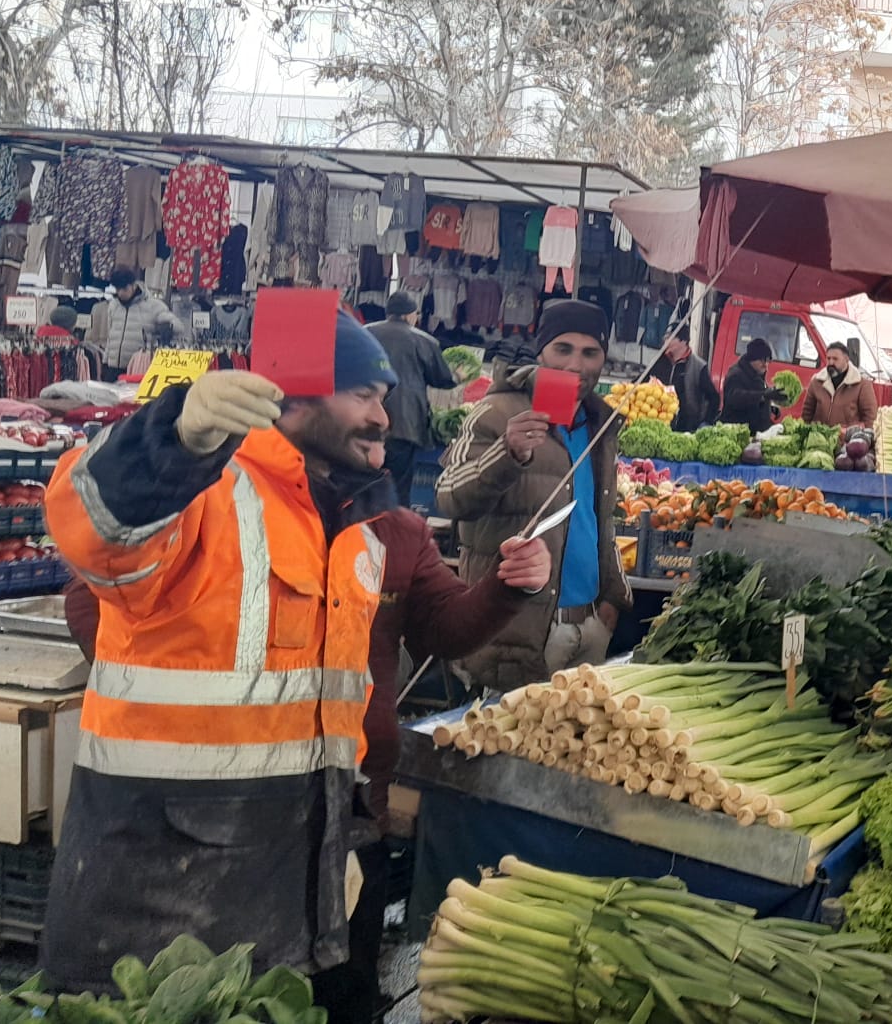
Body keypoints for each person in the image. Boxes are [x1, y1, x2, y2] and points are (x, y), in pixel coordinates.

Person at [40, 310, 550, 999]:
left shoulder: (366, 522)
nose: (384, 416)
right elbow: (91, 529)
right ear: (297, 399)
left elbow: (413, 642)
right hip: (163, 872)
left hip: (313, 847)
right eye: (364, 395)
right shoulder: (203, 495)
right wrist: (171, 438)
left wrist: (506, 590)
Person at [437, 300, 633, 691]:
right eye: (563, 349)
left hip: (590, 627)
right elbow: (449, 495)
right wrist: (507, 453)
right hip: (515, 633)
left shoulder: (601, 424)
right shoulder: (495, 411)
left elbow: (599, 519)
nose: (575, 364)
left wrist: (612, 602)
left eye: (590, 352)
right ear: (541, 351)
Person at [368, 290, 459, 508]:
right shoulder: (424, 340)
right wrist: (458, 375)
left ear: (388, 313)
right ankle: (394, 525)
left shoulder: (365, 334)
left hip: (365, 420)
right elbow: (443, 380)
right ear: (410, 315)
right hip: (405, 424)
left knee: (364, 483)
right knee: (398, 487)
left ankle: (363, 523)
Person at [90, 268, 185, 367]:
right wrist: (105, 361)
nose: (121, 293)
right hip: (113, 366)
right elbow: (110, 336)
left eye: (125, 289)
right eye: (118, 289)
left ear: (134, 285)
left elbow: (179, 327)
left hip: (139, 366)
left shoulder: (153, 306)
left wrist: (168, 326)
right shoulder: (114, 305)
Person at [647, 326, 720, 433]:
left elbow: (714, 398)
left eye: (670, 337)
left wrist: (706, 422)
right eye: (665, 337)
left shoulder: (698, 366)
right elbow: (642, 381)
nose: (665, 341)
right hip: (660, 423)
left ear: (683, 341)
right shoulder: (659, 361)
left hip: (687, 429)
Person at [801, 341, 878, 429]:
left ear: (846, 359)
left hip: (847, 437)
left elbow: (870, 418)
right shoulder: (817, 382)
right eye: (828, 358)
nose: (831, 362)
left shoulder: (862, 385)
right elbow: (806, 414)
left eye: (835, 359)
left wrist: (851, 432)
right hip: (818, 435)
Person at [720, 337, 787, 433]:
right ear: (752, 359)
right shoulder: (736, 374)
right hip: (739, 432)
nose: (765, 364)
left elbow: (758, 398)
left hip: (757, 431)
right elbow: (735, 398)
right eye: (762, 360)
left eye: (768, 360)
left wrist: (769, 406)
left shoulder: (758, 373)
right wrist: (764, 396)